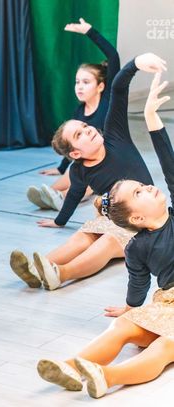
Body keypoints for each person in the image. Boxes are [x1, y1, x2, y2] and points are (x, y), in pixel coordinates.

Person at [36, 73, 174, 399]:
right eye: (139, 192)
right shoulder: (137, 246)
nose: (149, 187)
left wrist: (152, 118)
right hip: (167, 302)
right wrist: (129, 308)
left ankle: (107, 376)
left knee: (165, 346)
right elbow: (138, 283)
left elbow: (168, 163)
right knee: (123, 326)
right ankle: (71, 367)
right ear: (137, 218)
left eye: (142, 186)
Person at [10, 53, 166, 290]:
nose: (88, 130)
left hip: (144, 219)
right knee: (85, 234)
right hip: (116, 216)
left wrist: (135, 64)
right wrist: (59, 221)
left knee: (107, 242)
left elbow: (118, 89)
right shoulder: (79, 171)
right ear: (75, 153)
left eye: (85, 126)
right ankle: (36, 268)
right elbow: (74, 196)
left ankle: (60, 274)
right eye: (79, 134)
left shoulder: (116, 136)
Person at [28, 18, 120, 211]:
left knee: (88, 174)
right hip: (91, 157)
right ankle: (49, 192)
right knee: (75, 169)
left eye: (86, 82)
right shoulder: (79, 112)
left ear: (100, 86)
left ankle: (61, 197)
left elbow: (113, 57)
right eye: (77, 82)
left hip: (111, 162)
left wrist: (90, 31)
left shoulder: (108, 101)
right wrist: (61, 168)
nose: (79, 87)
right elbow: (72, 144)